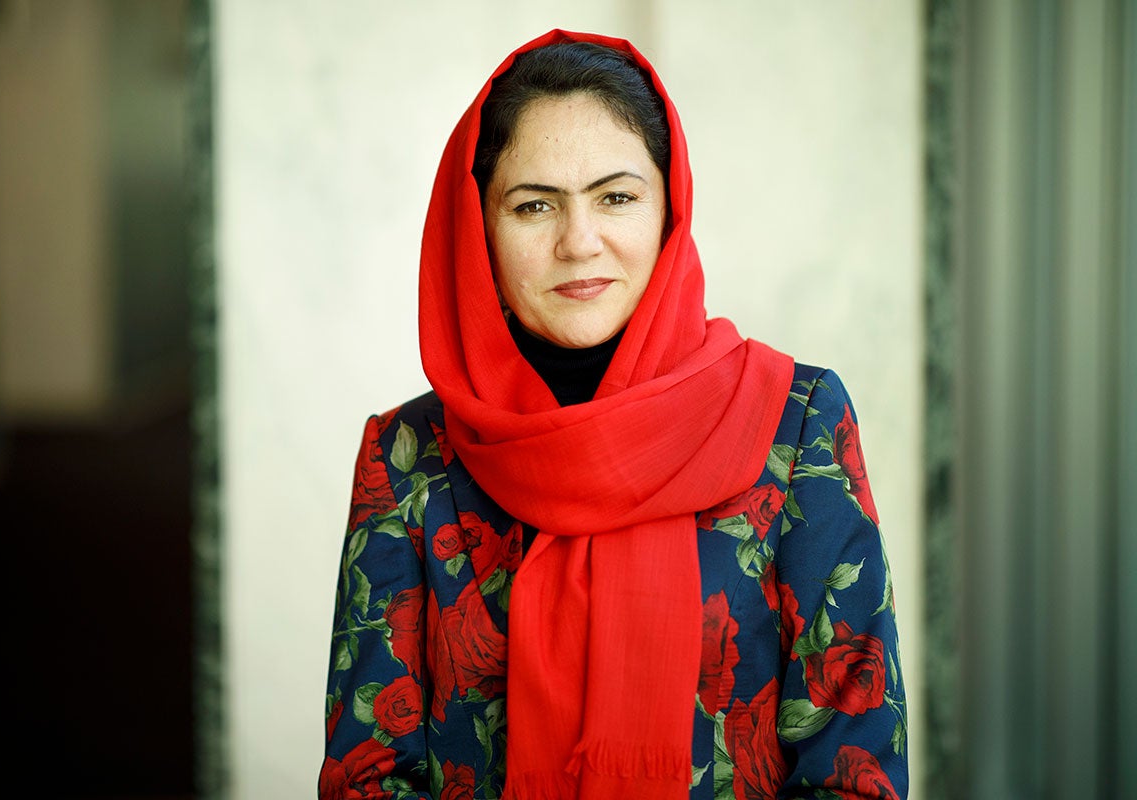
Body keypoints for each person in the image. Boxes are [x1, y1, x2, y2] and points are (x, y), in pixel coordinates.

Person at [319, 29, 907, 800]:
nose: (580, 242)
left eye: (617, 197)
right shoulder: (409, 458)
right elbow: (368, 781)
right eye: (534, 206)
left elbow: (853, 773)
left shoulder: (794, 424)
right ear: (479, 231)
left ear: (669, 213)